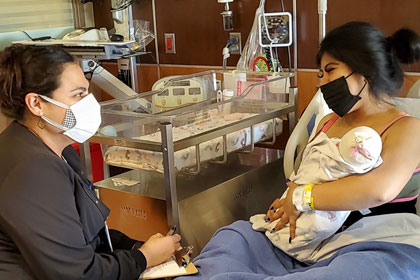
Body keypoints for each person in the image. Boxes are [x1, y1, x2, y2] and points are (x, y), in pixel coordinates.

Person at [176, 22, 420, 279]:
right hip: (306, 237)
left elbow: (378, 190)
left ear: (364, 69)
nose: (323, 83)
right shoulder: (328, 122)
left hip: (374, 242)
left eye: (330, 71)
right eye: (320, 74)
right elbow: (307, 177)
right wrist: (285, 201)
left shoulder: (407, 128)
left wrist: (302, 197)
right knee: (233, 238)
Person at [0, 44, 181, 280]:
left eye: (87, 92)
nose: (90, 103)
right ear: (36, 103)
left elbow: (83, 233)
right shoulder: (32, 171)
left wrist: (136, 246)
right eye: (78, 95)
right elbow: (76, 273)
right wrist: (143, 258)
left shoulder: (58, 149)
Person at [250, 126, 383, 262]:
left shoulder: (400, 129)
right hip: (296, 199)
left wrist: (298, 196)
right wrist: (292, 195)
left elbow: (378, 194)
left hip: (339, 214)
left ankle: (293, 245)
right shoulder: (327, 123)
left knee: (317, 225)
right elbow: (309, 169)